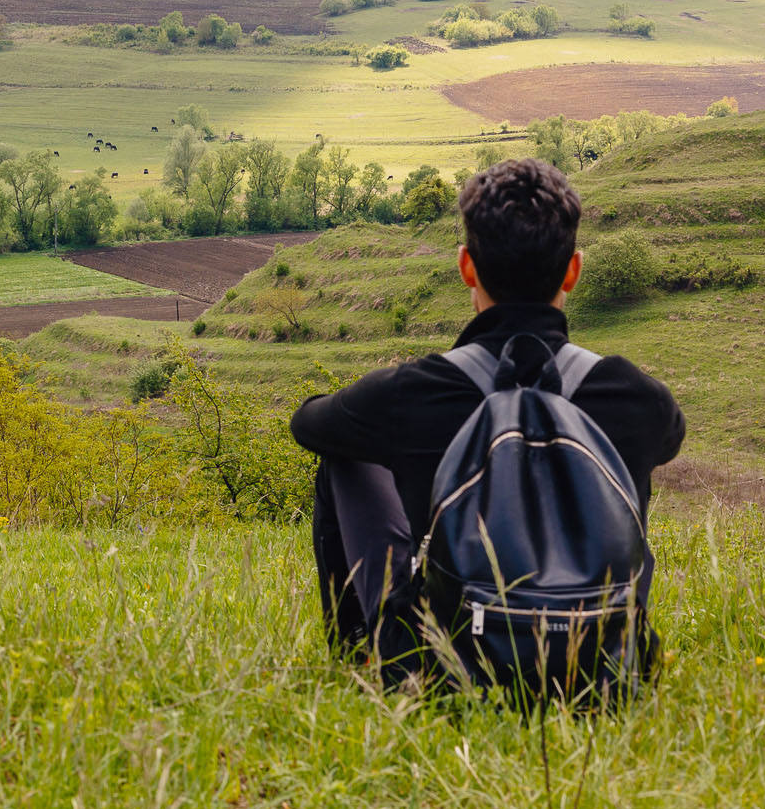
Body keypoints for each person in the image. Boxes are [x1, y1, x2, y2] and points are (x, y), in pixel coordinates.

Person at [289, 158, 685, 677]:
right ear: (574, 269)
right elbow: (670, 439)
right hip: (598, 669)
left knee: (343, 454)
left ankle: (360, 656)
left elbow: (306, 424)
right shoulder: (636, 398)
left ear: (466, 267)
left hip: (449, 670)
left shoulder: (415, 393)